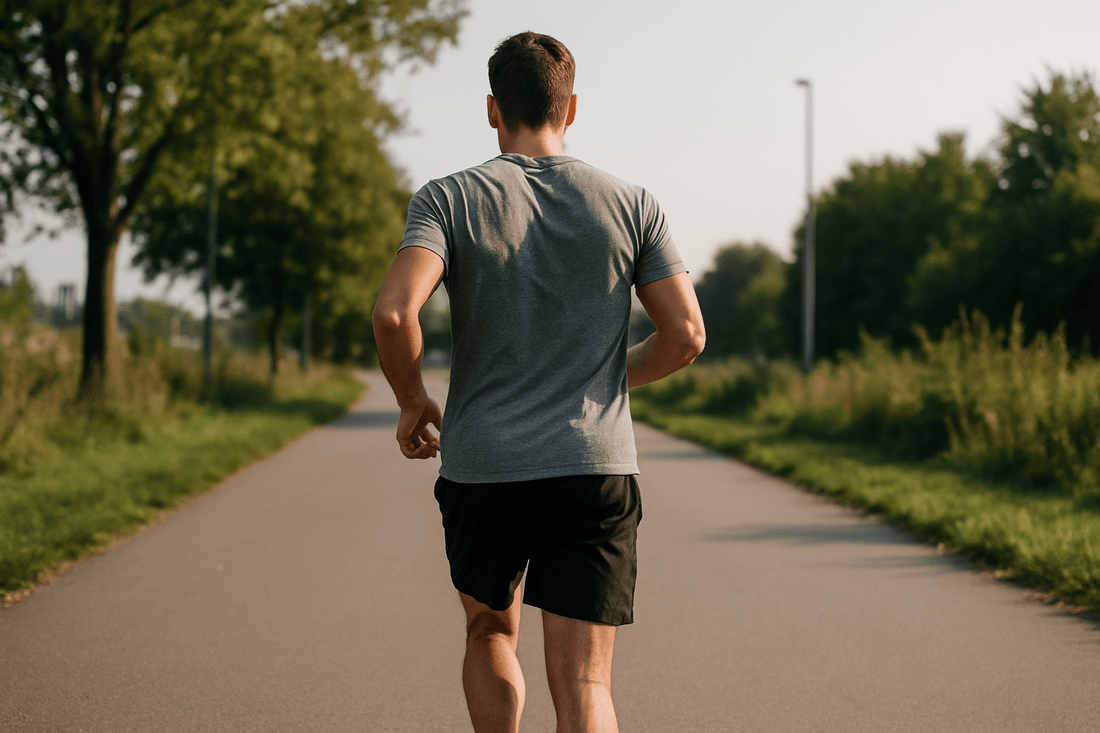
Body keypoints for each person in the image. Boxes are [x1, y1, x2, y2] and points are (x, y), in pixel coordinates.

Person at [372, 31, 705, 733]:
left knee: (490, 632)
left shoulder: (447, 198)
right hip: (593, 466)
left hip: (483, 466)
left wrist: (411, 401)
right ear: (572, 108)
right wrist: (605, 379)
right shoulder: (632, 203)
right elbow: (686, 337)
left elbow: (396, 311)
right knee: (585, 680)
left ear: (493, 108)